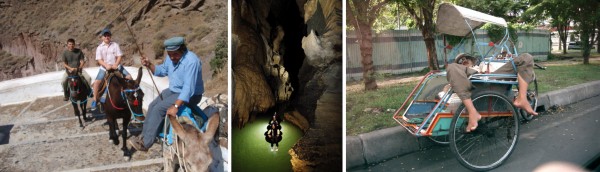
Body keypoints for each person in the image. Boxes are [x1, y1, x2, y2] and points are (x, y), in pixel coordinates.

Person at [129, 36, 205, 152]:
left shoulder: (191, 61)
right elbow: (160, 71)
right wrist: (149, 64)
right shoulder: (170, 57)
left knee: (159, 109)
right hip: (174, 90)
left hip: (191, 95)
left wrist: (175, 106)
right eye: (170, 54)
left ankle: (146, 143)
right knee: (152, 105)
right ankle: (143, 137)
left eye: (175, 54)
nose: (172, 57)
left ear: (182, 50)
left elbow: (188, 88)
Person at [446, 53, 538, 132]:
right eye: (461, 61)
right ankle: (472, 111)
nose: (464, 61)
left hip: (493, 80)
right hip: (480, 89)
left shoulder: (481, 65)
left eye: (466, 59)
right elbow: (452, 80)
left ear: (472, 60)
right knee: (451, 67)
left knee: (526, 57)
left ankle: (522, 98)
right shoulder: (459, 71)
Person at [90, 28, 132, 110]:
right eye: (105, 35)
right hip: (105, 68)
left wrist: (116, 64)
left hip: (116, 66)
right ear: (102, 37)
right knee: (96, 83)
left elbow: (119, 56)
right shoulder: (99, 47)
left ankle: (131, 97)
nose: (107, 37)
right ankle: (95, 99)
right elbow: (99, 60)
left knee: (129, 77)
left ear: (110, 36)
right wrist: (106, 65)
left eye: (108, 35)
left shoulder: (115, 45)